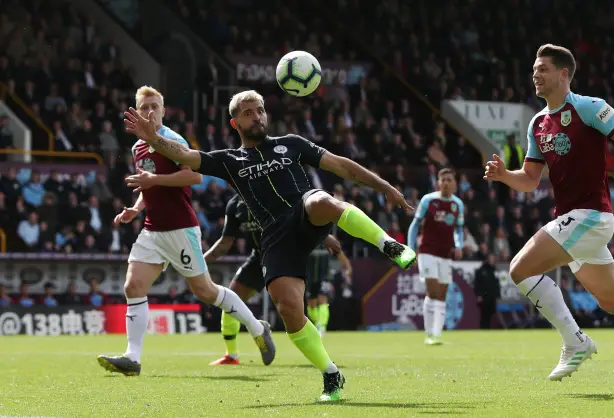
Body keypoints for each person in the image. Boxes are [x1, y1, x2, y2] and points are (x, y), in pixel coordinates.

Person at [122, 90, 417, 402]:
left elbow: (342, 166)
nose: (257, 116)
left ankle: (390, 246)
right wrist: (153, 138)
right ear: (235, 122)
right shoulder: (228, 160)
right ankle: (331, 374)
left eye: (260, 110)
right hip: (274, 236)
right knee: (289, 311)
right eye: (249, 113)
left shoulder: (291, 143)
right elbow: (183, 156)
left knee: (322, 199)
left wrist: (384, 186)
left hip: (304, 212)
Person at [483, 44, 614, 392]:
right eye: (534, 69)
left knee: (519, 270)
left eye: (543, 68)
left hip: (591, 216)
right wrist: (505, 176)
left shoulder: (588, 107)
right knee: (613, 301)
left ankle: (575, 341)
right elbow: (531, 180)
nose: (536, 74)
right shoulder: (537, 123)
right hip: (574, 223)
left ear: (564, 74)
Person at [98, 86, 275, 377]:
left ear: (164, 111)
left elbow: (194, 175)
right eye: (144, 107)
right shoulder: (137, 147)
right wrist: (136, 208)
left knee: (205, 291)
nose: (150, 111)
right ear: (137, 111)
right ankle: (133, 358)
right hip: (153, 229)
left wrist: (154, 178)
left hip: (180, 227)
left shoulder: (172, 139)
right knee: (133, 287)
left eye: (155, 106)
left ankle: (258, 328)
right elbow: (149, 184)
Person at [206, 193, 344, 364]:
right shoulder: (234, 204)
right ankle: (231, 355)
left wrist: (323, 235)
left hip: (284, 255)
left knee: (295, 311)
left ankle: (323, 360)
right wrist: (199, 262)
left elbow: (297, 214)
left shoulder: (268, 193)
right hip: (258, 257)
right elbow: (224, 243)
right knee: (232, 297)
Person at [407, 168, 464, 345]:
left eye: (449, 180)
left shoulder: (458, 205)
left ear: (454, 184)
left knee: (442, 293)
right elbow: (414, 225)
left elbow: (459, 229)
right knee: (432, 290)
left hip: (445, 253)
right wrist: (410, 248)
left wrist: (459, 246)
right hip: (427, 251)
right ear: (438, 183)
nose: (446, 183)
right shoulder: (428, 200)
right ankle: (429, 334)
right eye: (443, 180)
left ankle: (437, 335)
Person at [306, 237, 353, 337]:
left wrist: (348, 267)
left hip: (325, 275)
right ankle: (316, 322)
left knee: (323, 298)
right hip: (309, 276)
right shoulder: (306, 238)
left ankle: (322, 326)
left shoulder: (327, 240)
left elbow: (339, 252)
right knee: (311, 304)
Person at [473, 253, 500, 329]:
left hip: (492, 296)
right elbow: (477, 284)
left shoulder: (494, 270)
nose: (491, 260)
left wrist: (497, 294)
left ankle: (487, 328)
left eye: (492, 259)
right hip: (484, 296)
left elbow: (497, 283)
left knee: (491, 313)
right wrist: (478, 295)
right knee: (484, 314)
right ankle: (483, 328)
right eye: (490, 259)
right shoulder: (481, 270)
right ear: (487, 259)